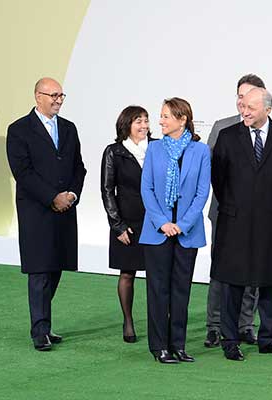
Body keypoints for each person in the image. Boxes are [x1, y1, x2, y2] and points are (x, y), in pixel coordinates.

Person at [211, 88, 272, 361]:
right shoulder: (227, 137)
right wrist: (235, 206)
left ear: (268, 110)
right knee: (233, 284)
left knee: (268, 282)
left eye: (251, 107)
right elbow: (218, 180)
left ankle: (268, 338)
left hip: (271, 222)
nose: (245, 111)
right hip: (234, 221)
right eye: (243, 106)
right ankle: (230, 340)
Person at [6, 77, 86, 351]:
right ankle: (40, 330)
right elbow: (23, 172)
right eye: (53, 95)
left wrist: (71, 195)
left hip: (65, 210)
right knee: (39, 270)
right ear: (37, 96)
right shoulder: (18, 130)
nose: (58, 100)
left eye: (61, 95)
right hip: (37, 210)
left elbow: (79, 167)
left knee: (55, 268)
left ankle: (45, 324)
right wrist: (52, 197)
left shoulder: (69, 128)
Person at [139, 98, 210, 364]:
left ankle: (178, 345)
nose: (160, 121)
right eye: (161, 116)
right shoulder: (155, 149)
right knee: (158, 290)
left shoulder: (200, 151)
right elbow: (146, 189)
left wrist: (183, 224)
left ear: (182, 119)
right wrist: (162, 222)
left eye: (166, 116)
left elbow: (202, 192)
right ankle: (159, 347)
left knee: (181, 290)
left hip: (186, 232)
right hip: (157, 231)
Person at [204, 74, 265, 348]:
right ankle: (214, 325)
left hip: (257, 216)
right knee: (221, 269)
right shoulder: (221, 127)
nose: (244, 102)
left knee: (253, 270)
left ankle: (245, 324)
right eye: (240, 96)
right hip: (225, 212)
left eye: (249, 96)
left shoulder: (269, 131)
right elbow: (210, 172)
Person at [101, 105, 154, 343]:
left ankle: (158, 324)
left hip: (155, 221)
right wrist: (117, 225)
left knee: (158, 275)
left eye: (146, 120)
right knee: (127, 274)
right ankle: (128, 322)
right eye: (138, 121)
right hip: (127, 222)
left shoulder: (157, 148)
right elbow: (107, 190)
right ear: (126, 125)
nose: (144, 126)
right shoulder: (114, 152)